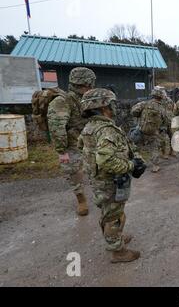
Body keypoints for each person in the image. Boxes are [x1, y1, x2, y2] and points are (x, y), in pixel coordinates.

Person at [78, 88, 146, 263]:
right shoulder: (106, 130)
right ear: (103, 107)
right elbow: (107, 161)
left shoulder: (89, 127)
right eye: (112, 104)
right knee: (114, 216)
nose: (114, 107)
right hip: (109, 181)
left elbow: (82, 149)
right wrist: (131, 165)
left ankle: (116, 239)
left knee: (109, 213)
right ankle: (118, 252)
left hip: (98, 179)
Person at [47, 67, 95, 216]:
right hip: (72, 145)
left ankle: (100, 193)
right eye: (89, 83)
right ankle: (81, 199)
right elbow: (56, 127)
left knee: (98, 169)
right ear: (84, 82)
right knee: (74, 172)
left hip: (90, 142)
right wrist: (62, 151)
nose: (91, 86)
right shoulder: (62, 101)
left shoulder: (87, 99)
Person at [131, 88, 168, 173]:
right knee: (154, 148)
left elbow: (134, 111)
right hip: (153, 132)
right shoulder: (162, 108)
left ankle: (136, 164)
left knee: (136, 147)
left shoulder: (144, 103)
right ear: (162, 96)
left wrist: (140, 115)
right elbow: (165, 120)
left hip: (141, 130)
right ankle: (155, 166)